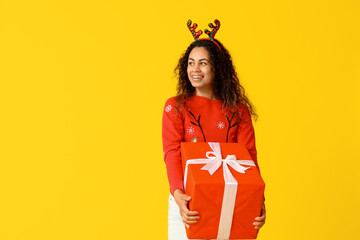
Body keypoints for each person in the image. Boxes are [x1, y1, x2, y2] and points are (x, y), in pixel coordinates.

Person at [162, 19, 266, 240]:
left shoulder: (238, 111)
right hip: (186, 202)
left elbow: (249, 159)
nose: (195, 69)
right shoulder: (175, 107)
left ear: (217, 68)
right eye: (191, 63)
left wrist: (259, 200)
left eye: (203, 63)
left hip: (231, 200)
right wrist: (179, 194)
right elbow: (172, 154)